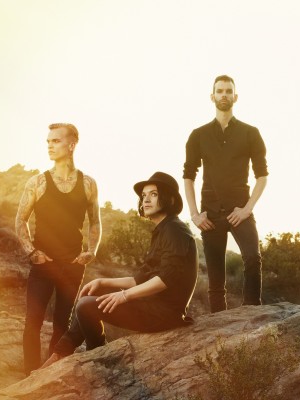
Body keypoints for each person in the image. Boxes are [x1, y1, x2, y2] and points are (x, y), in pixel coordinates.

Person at [40, 171, 198, 367]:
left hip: (165, 314)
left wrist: (125, 296)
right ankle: (61, 353)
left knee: (86, 306)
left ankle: (97, 352)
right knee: (93, 291)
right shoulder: (162, 230)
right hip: (153, 305)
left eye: (154, 194)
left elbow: (166, 279)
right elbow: (140, 278)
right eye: (144, 195)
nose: (146, 199)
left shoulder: (175, 230)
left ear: (169, 199)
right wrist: (103, 282)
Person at [15, 123, 102, 375]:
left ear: (71, 145)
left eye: (56, 141)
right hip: (43, 265)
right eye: (48, 141)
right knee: (33, 321)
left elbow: (95, 221)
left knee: (62, 324)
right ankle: (29, 376)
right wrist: (32, 252)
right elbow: (20, 219)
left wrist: (91, 250)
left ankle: (52, 374)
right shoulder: (38, 182)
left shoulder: (88, 183)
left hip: (73, 265)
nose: (50, 146)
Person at [183, 74, 268, 313]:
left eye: (228, 91)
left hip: (240, 210)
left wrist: (247, 209)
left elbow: (262, 176)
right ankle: (218, 328)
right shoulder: (198, 135)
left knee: (253, 259)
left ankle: (253, 314)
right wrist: (195, 214)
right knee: (215, 279)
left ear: (235, 97)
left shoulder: (251, 133)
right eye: (219, 91)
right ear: (212, 96)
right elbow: (188, 175)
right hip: (210, 214)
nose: (224, 95)